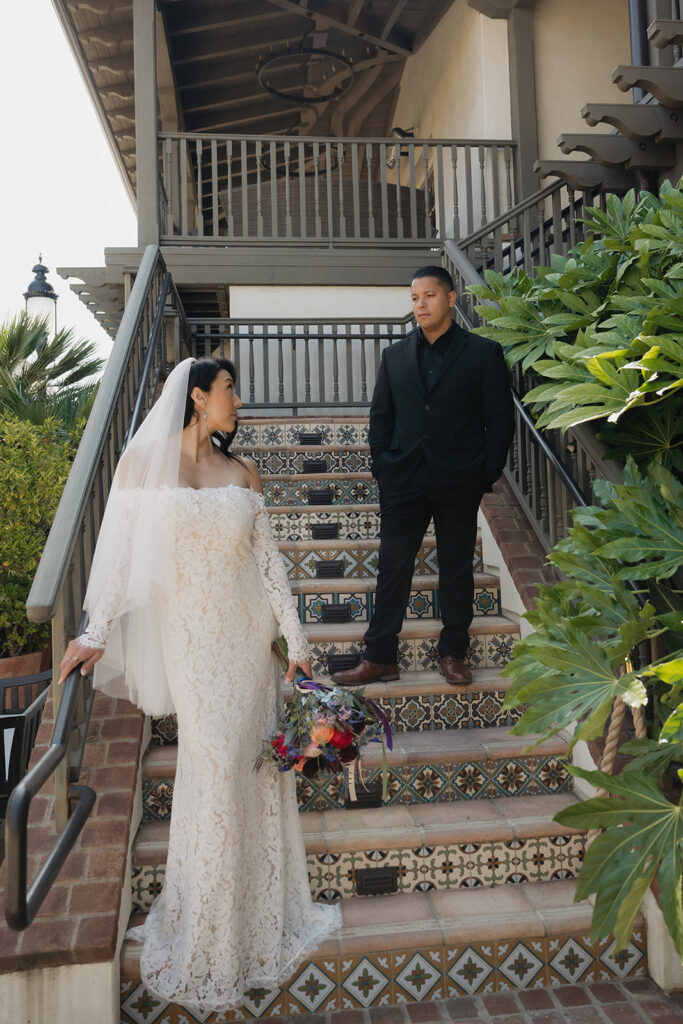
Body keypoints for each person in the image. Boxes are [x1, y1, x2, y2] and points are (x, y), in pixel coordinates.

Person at [59, 357, 341, 1013]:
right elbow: (123, 555)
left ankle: (253, 916)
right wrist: (96, 632)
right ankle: (208, 935)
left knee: (245, 771)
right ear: (197, 398)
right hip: (192, 643)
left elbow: (268, 563)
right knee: (211, 768)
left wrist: (295, 646)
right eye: (229, 390)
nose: (238, 402)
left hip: (248, 644)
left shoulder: (242, 471)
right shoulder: (141, 466)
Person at [331, 266, 515, 688]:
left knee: (456, 568)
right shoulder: (394, 356)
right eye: (414, 298)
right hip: (404, 478)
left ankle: (454, 653)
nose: (420, 305)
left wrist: (484, 471)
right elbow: (382, 416)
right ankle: (379, 656)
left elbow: (499, 420)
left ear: (451, 299)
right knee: (392, 566)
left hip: (459, 480)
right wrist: (383, 465)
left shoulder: (483, 353)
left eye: (429, 296)